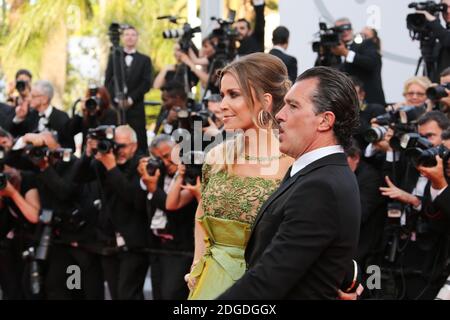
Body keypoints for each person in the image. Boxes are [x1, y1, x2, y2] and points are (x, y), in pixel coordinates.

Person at [218, 66, 361, 300]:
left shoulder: (321, 186)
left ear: (325, 121)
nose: (280, 114)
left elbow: (268, 280)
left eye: (293, 106)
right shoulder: (312, 172)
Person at [185, 53, 292, 300]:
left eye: (234, 94)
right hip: (210, 282)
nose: (222, 104)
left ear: (265, 101)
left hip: (268, 286)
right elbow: (202, 213)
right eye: (222, 94)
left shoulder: (293, 163)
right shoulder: (216, 158)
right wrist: (196, 265)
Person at [105, 25, 152, 154]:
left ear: (137, 38)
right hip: (116, 108)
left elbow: (146, 83)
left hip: (135, 108)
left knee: (139, 140)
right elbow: (108, 80)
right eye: (127, 34)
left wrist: (131, 99)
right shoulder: (114, 56)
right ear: (122, 37)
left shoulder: (145, 60)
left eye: (133, 35)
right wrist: (115, 99)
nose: (130, 37)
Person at [331, 18, 385, 105]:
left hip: (371, 104)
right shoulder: (332, 50)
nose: (345, 32)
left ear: (352, 29)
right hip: (346, 106)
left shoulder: (366, 44)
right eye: (340, 29)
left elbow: (371, 63)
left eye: (347, 28)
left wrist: (346, 53)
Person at [8, 80, 74, 149]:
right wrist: (19, 118)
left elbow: (70, 147)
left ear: (44, 99)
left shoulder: (61, 117)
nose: (29, 99)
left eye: (33, 96)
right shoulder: (29, 115)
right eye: (30, 95)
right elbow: (12, 137)